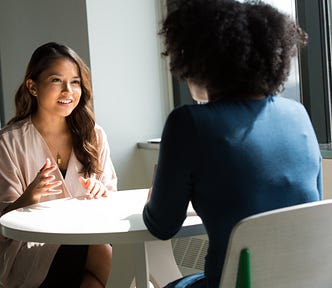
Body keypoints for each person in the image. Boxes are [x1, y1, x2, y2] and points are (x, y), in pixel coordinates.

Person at [143, 0, 323, 287]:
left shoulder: (188, 123)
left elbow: (162, 226)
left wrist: (156, 194)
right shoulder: (298, 115)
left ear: (198, 61)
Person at [0, 42, 117, 288]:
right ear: (32, 87)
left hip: (88, 241)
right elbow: (3, 222)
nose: (68, 91)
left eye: (75, 82)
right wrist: (28, 198)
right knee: (97, 250)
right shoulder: (8, 142)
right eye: (56, 80)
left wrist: (101, 192)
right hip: (29, 250)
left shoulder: (94, 136)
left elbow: (112, 203)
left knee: (101, 248)